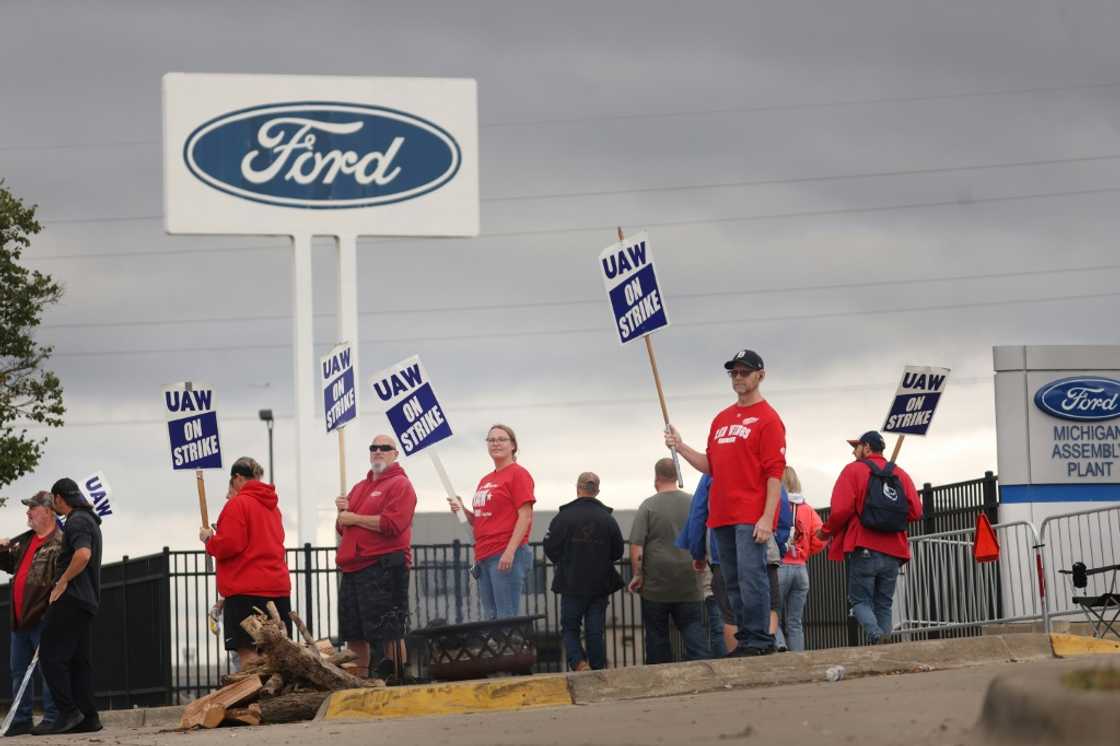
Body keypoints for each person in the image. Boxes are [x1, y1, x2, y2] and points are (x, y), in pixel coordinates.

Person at [666, 348, 786, 656]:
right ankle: (747, 638)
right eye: (733, 372)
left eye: (744, 372)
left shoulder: (769, 419)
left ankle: (761, 639)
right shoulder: (721, 419)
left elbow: (775, 471)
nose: (738, 377)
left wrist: (767, 517)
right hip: (721, 515)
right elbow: (711, 465)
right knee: (731, 581)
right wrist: (680, 446)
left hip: (750, 513)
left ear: (761, 375)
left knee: (752, 576)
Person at [818, 431, 922, 644]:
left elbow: (840, 510)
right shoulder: (900, 474)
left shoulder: (853, 470)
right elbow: (916, 511)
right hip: (894, 550)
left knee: (859, 601)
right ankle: (885, 648)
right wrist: (890, 518)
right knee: (884, 603)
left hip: (864, 545)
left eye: (856, 447)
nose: (853, 452)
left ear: (866, 448)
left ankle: (876, 636)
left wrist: (825, 531)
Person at [335, 434, 417, 681]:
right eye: (373, 448)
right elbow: (343, 528)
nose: (378, 451)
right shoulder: (360, 487)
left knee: (389, 630)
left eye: (385, 448)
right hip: (353, 567)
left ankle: (396, 678)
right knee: (354, 631)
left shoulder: (401, 485)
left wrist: (355, 518)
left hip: (384, 566)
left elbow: (394, 524)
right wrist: (341, 513)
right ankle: (359, 680)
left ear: (395, 454)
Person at [201, 457, 291, 669]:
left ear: (238, 478)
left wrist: (209, 540)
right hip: (277, 589)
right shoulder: (273, 508)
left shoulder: (238, 504)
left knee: (249, 655)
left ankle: (255, 700)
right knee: (275, 656)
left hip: (246, 592)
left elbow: (229, 545)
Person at [36, 478, 103, 735]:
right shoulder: (90, 520)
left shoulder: (77, 520)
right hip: (86, 600)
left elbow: (83, 554)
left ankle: (68, 712)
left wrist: (62, 582)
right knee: (78, 661)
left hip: (72, 599)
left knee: (50, 657)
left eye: (54, 501)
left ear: (59, 498)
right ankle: (88, 717)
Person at [628, 458, 709, 663]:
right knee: (693, 629)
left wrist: (638, 575)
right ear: (677, 475)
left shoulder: (648, 506)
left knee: (657, 635)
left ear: (656, 477)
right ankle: (701, 668)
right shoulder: (694, 502)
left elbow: (637, 545)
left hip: (656, 584)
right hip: (690, 580)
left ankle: (660, 675)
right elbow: (705, 534)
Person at [451, 424, 535, 620]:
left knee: (505, 617)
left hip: (505, 553)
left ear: (513, 445)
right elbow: (482, 519)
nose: (495, 443)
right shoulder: (485, 479)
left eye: (501, 439)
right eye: (491, 440)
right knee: (491, 617)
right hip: (484, 555)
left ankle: (512, 650)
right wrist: (462, 511)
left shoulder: (518, 474)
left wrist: (510, 551)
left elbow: (525, 516)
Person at [542, 472, 625, 671]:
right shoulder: (608, 519)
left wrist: (565, 561)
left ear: (578, 488)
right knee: (594, 629)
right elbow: (618, 551)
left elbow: (550, 547)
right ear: (597, 491)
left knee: (570, 627)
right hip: (600, 583)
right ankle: (597, 667)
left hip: (571, 582)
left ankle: (578, 662)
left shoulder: (563, 517)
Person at [0, 492, 62, 735]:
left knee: (48, 669)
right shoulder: (27, 540)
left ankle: (53, 716)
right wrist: (2, 551)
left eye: (32, 508)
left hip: (41, 616)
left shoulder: (59, 542)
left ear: (48, 511)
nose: (28, 513)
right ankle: (21, 717)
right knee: (18, 671)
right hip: (20, 617)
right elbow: (10, 565)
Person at [775, 466, 825, 652]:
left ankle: (780, 647)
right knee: (795, 621)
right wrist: (807, 551)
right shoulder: (808, 510)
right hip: (801, 569)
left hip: (779, 567)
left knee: (772, 615)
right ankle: (798, 659)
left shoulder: (774, 505)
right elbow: (821, 537)